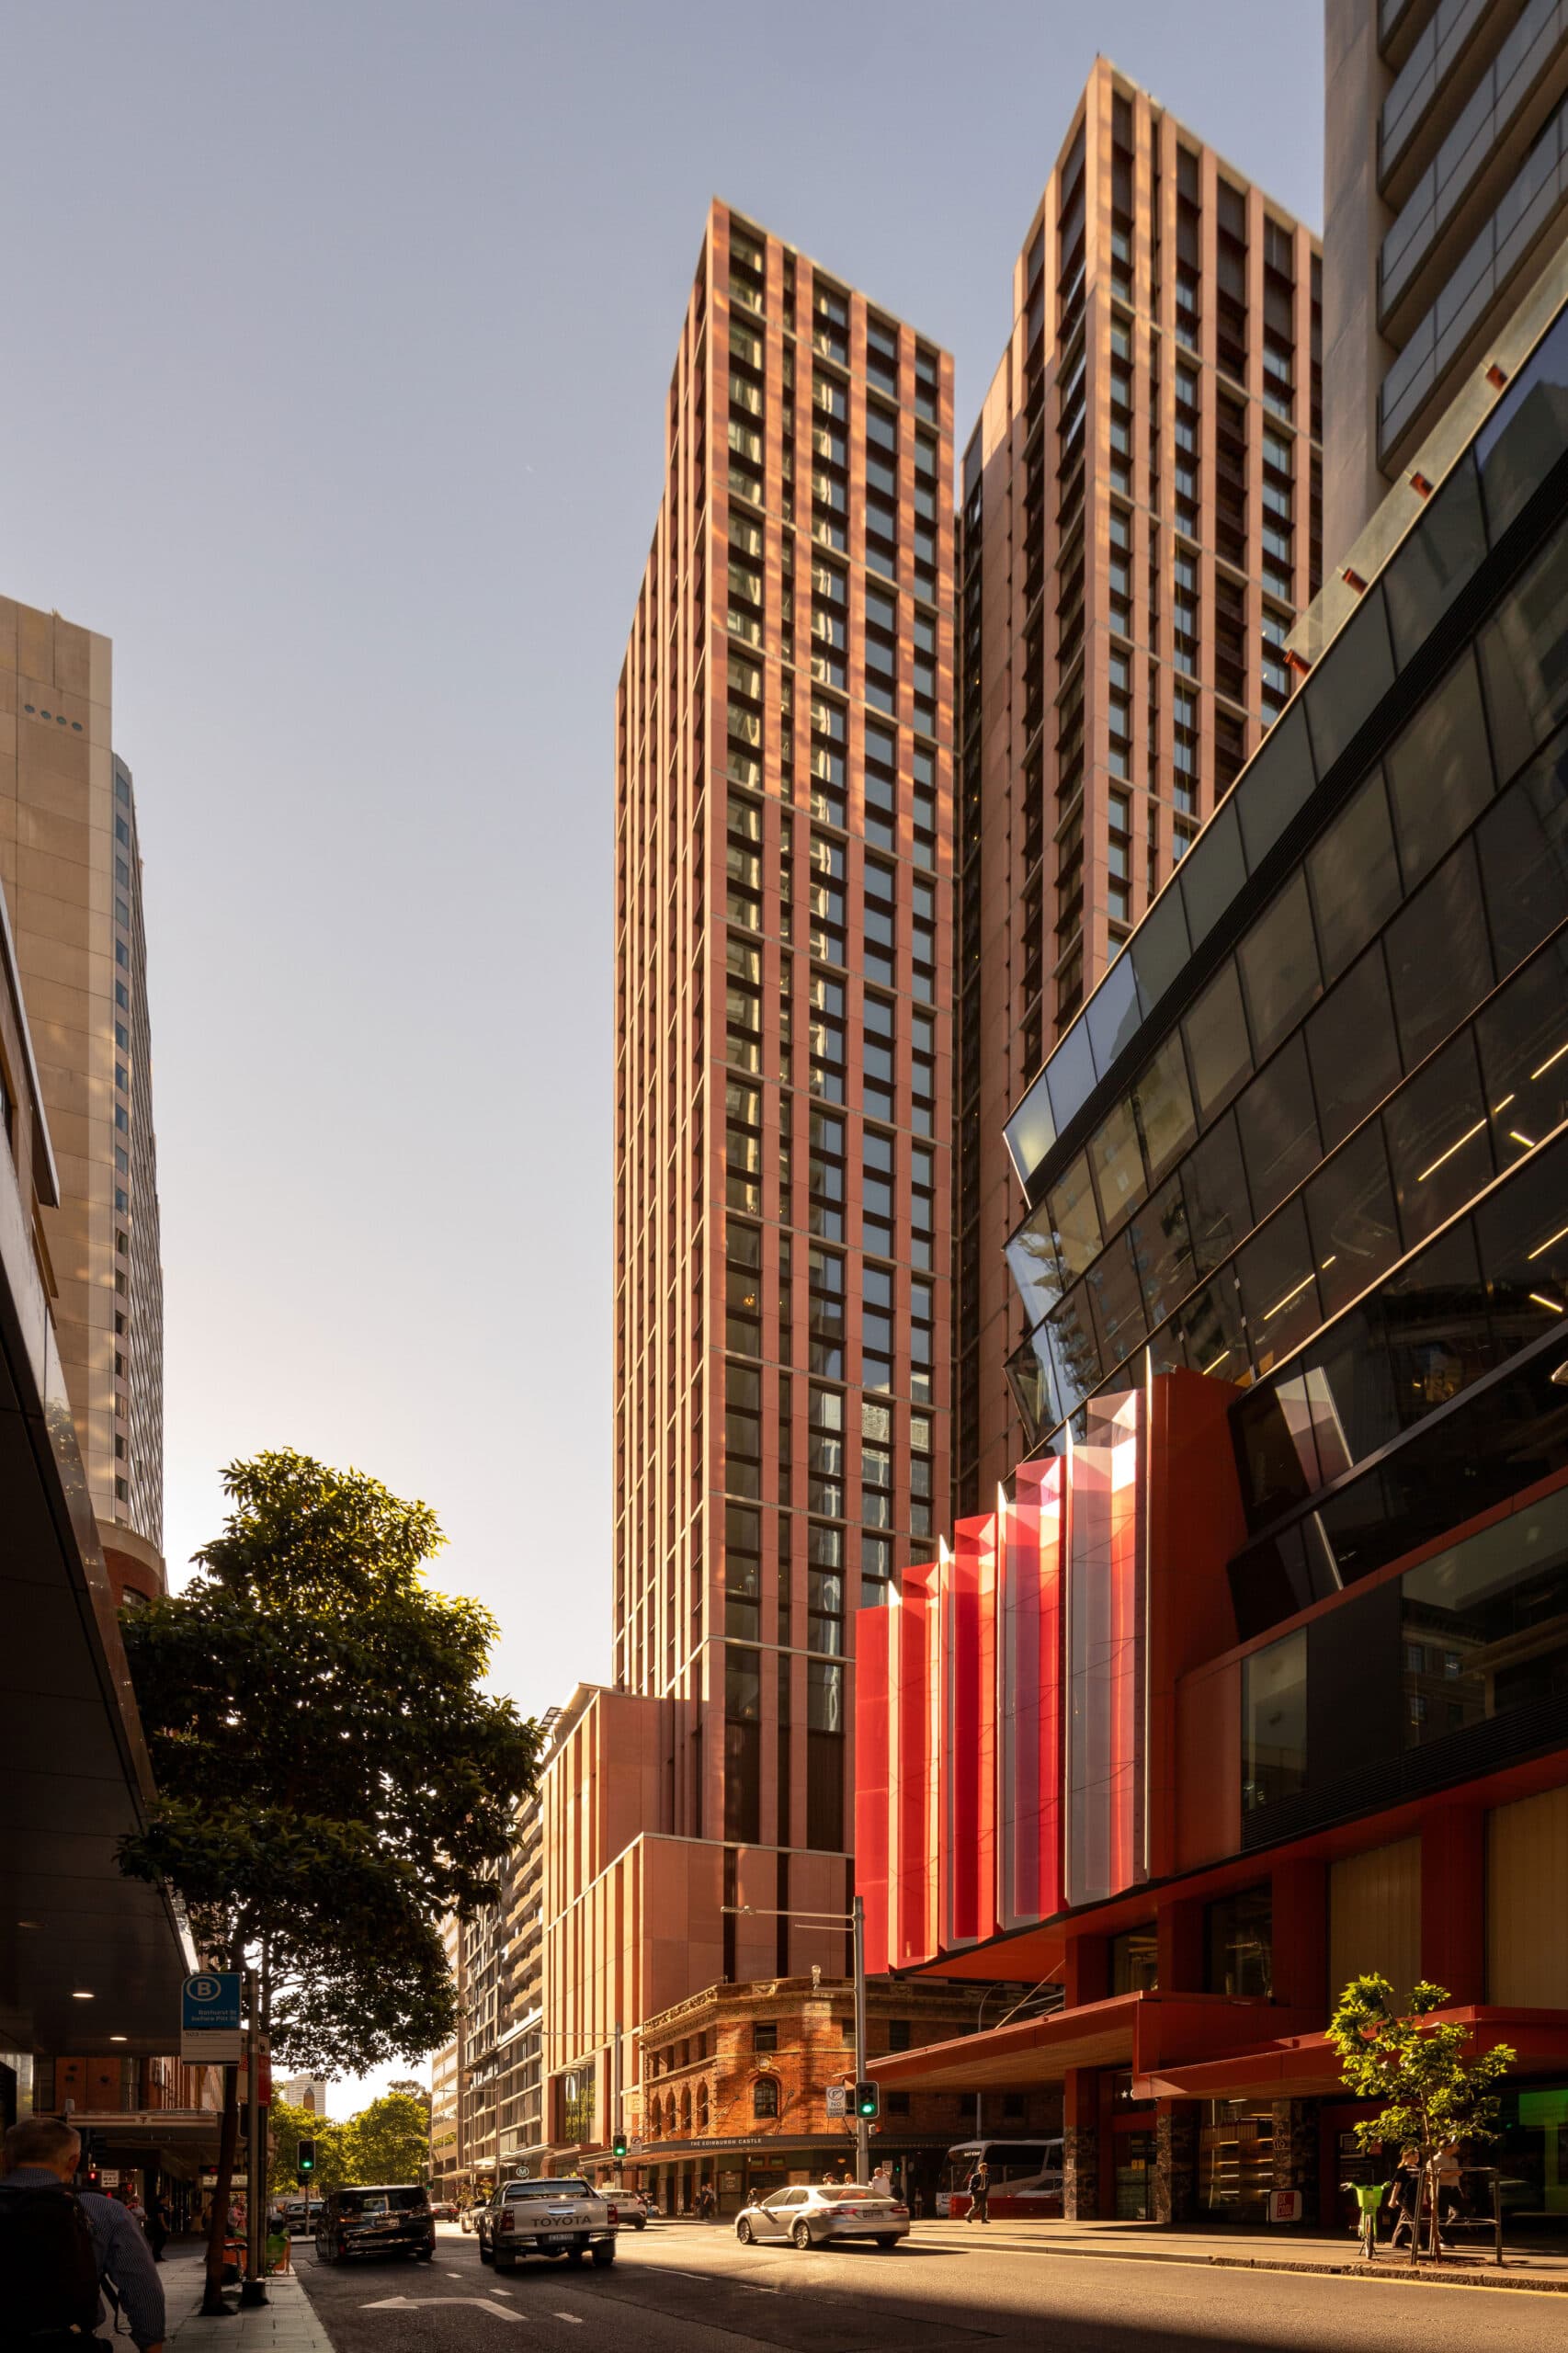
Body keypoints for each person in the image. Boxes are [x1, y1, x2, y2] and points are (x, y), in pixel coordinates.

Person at [0, 2116, 165, 2351]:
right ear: (74, 2162)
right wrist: (151, 2344)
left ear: (4, 2159)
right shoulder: (104, 2210)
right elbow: (143, 2288)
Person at [1385, 2146, 1422, 2250]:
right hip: (1405, 2197)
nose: (1417, 2158)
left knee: (1404, 2218)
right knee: (1414, 2219)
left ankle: (1397, 2242)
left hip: (1414, 2197)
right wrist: (1393, 2200)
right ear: (1408, 2156)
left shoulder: (1416, 2169)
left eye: (1418, 2156)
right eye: (1415, 2156)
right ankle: (1422, 2242)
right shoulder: (1402, 2170)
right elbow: (1397, 2186)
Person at [144, 2190, 169, 2265]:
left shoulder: (163, 2206)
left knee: (161, 2240)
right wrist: (165, 2226)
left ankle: (157, 2256)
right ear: (162, 2199)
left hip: (160, 2226)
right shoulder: (159, 2206)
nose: (167, 2200)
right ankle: (155, 2256)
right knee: (160, 2240)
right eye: (166, 2198)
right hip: (158, 2226)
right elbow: (161, 2217)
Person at [965, 2158, 991, 2225]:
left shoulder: (988, 2176)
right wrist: (973, 2190)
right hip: (976, 2192)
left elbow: (988, 2184)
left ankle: (983, 2219)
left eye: (986, 2168)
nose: (986, 2169)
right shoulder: (975, 2176)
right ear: (980, 2169)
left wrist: (986, 2191)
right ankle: (968, 2216)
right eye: (984, 2168)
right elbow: (971, 2184)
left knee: (984, 2207)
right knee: (976, 2206)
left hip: (984, 2192)